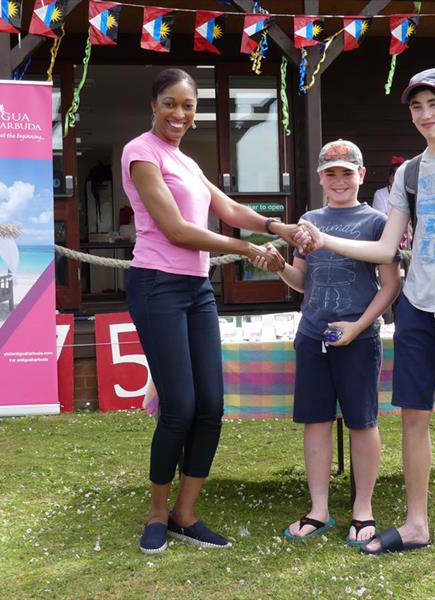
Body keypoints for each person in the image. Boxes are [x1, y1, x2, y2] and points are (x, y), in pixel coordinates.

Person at [296, 68, 435, 565]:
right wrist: (322, 239)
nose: (425, 115)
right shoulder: (408, 173)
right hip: (417, 308)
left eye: (433, 104)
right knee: (413, 417)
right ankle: (416, 523)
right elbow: (383, 248)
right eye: (416, 107)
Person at [122, 68, 305, 554]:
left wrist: (275, 226)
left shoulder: (185, 161)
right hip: (156, 286)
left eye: (187, 105)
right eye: (169, 103)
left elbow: (228, 209)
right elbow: (177, 229)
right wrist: (247, 251)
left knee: (212, 406)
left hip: (196, 289)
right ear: (153, 105)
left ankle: (186, 513)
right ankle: (157, 513)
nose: (179, 114)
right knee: (178, 406)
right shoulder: (141, 153)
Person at [253, 140, 401, 547]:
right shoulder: (307, 220)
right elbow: (303, 282)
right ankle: (318, 509)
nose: (339, 181)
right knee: (315, 422)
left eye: (346, 173)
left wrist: (358, 327)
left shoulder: (377, 222)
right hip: (313, 334)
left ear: (361, 176)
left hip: (359, 337)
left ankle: (363, 508)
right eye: (331, 173)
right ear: (320, 177)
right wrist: (281, 266)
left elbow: (390, 286)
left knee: (362, 421)